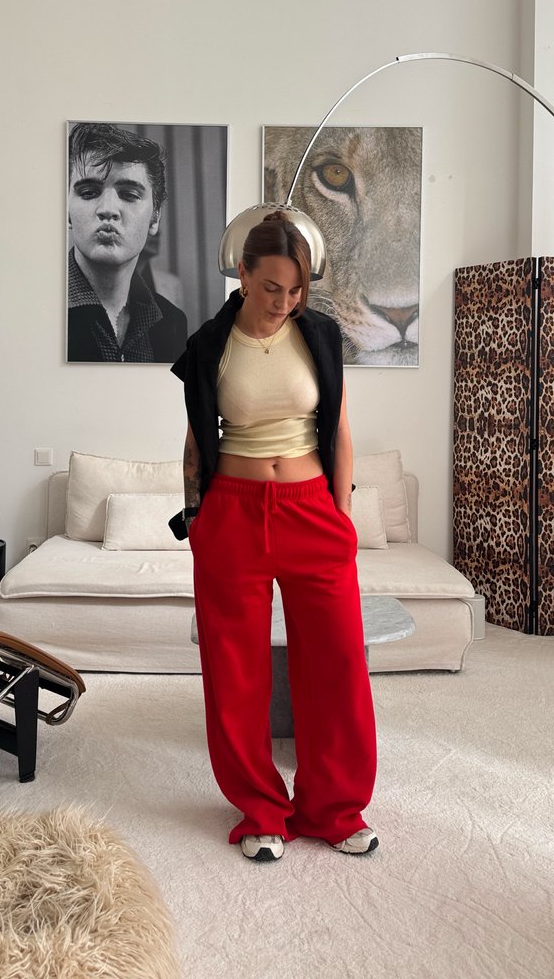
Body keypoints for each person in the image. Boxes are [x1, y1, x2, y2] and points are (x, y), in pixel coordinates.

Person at [170, 205, 377, 862]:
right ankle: (261, 808)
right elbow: (196, 444)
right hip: (233, 512)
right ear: (242, 273)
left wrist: (340, 519)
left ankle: (334, 809)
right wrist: (198, 518)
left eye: (296, 291)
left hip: (311, 510)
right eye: (271, 289)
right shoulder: (209, 344)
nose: (284, 302)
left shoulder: (317, 334)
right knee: (235, 672)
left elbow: (339, 427)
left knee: (338, 665)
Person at [67, 122, 187, 362]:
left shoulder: (173, 321)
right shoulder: (37, 307)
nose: (108, 210)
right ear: (67, 211)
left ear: (155, 218)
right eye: (89, 192)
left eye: (130, 195)